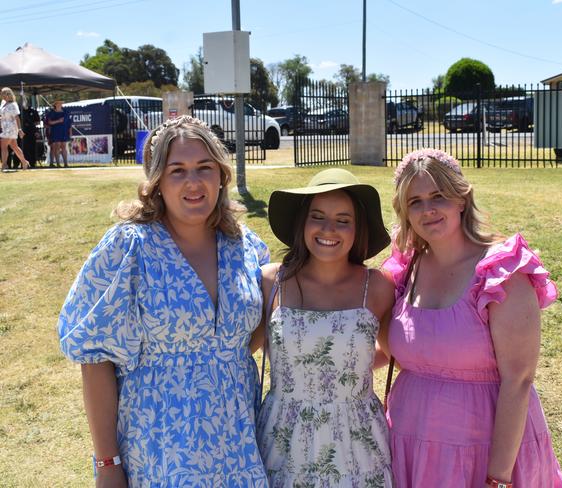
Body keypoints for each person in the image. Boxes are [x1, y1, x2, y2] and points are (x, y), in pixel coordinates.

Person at [58, 115, 271, 487]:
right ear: (156, 182)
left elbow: (250, 333)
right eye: (178, 171)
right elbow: (96, 361)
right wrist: (107, 463)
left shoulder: (245, 246)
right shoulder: (129, 247)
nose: (194, 182)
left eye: (205, 167)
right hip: (159, 444)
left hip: (237, 441)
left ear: (221, 175)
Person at [383, 148, 562, 488]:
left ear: (461, 199)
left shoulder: (501, 270)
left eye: (438, 196)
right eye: (415, 201)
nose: (428, 210)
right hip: (410, 445)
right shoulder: (407, 269)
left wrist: (498, 477)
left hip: (483, 453)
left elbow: (519, 379)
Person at [252, 168, 395, 487]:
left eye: (343, 220)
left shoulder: (378, 287)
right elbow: (241, 349)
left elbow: (394, 349)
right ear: (302, 221)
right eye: (318, 216)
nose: (329, 229)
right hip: (284, 440)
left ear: (358, 229)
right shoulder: (271, 282)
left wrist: (344, 373)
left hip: (356, 442)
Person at [0, 87, 31, 171]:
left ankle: (4, 165)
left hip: (11, 128)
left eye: (3, 93)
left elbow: (17, 118)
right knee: (14, 146)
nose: (1, 95)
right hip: (4, 127)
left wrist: (20, 129)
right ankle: (24, 162)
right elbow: (3, 115)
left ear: (8, 94)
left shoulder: (13, 104)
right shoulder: (3, 103)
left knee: (3, 146)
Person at [45, 100, 72, 167]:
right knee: (57, 146)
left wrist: (70, 132)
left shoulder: (66, 111)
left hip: (64, 131)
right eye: (58, 103)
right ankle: (58, 164)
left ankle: (66, 163)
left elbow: (69, 123)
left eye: (61, 103)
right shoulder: (52, 112)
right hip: (55, 131)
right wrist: (58, 121)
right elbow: (49, 122)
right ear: (55, 104)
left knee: (64, 146)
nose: (60, 104)